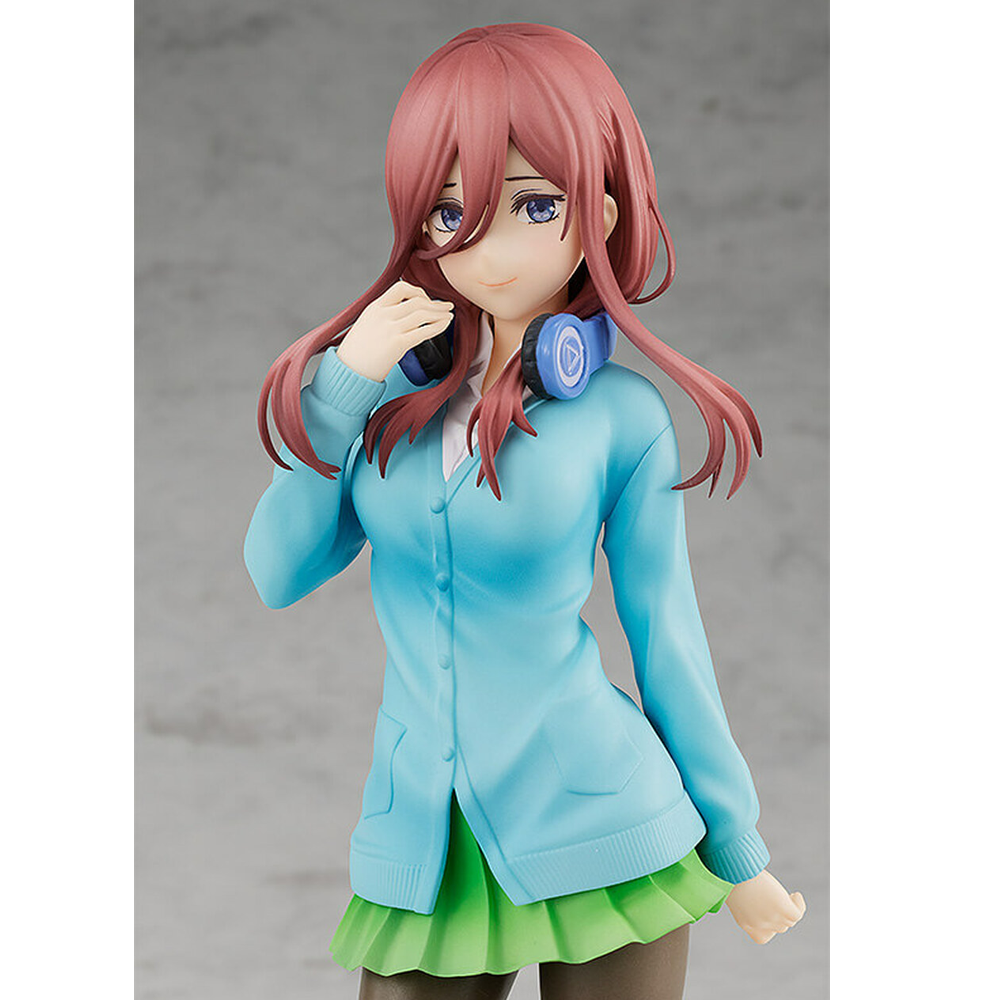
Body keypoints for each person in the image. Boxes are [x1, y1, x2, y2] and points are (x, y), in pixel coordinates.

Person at [245, 23, 804, 1000]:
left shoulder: (621, 418)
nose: (487, 248)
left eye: (534, 204)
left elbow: (667, 638)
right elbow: (275, 571)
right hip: (422, 834)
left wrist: (736, 843)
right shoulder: (383, 400)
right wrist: (341, 386)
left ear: (598, 213)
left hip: (605, 820)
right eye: (448, 211)